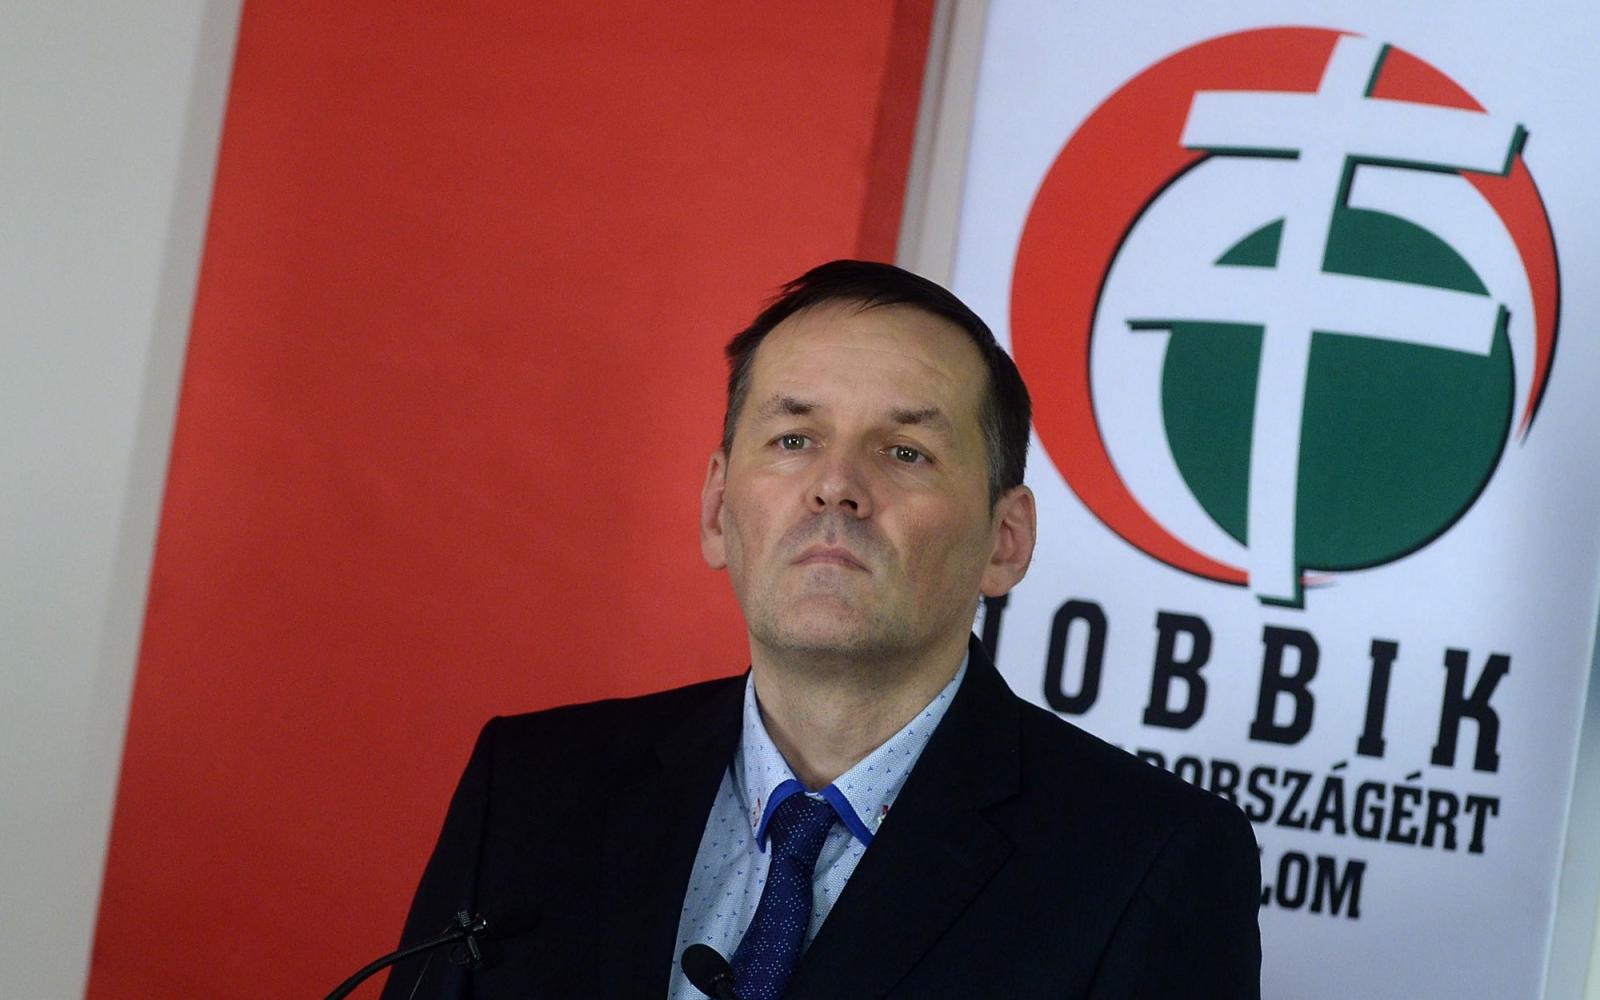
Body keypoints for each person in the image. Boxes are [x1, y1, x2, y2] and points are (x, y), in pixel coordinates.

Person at [381, 260, 1261, 999]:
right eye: (794, 439)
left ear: (1006, 540)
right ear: (718, 509)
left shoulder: (1149, 862)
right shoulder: (531, 789)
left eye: (905, 452)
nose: (835, 485)